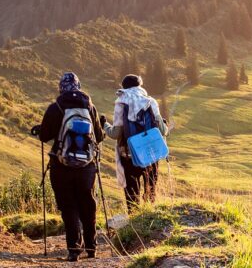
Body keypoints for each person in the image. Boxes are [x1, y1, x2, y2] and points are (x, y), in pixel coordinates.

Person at [34, 72, 103, 262]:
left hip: (60, 164)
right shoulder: (90, 107)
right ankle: (92, 247)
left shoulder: (55, 107)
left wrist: (40, 129)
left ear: (61, 88)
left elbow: (44, 136)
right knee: (88, 204)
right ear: (78, 86)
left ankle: (74, 249)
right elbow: (99, 135)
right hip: (86, 166)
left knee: (68, 206)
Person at [101, 74, 167, 212]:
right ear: (139, 86)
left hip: (129, 154)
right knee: (150, 190)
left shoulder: (121, 102)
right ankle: (150, 219)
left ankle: (133, 221)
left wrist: (104, 124)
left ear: (124, 87)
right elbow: (163, 131)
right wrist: (164, 124)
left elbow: (115, 134)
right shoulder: (150, 101)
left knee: (132, 193)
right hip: (151, 154)